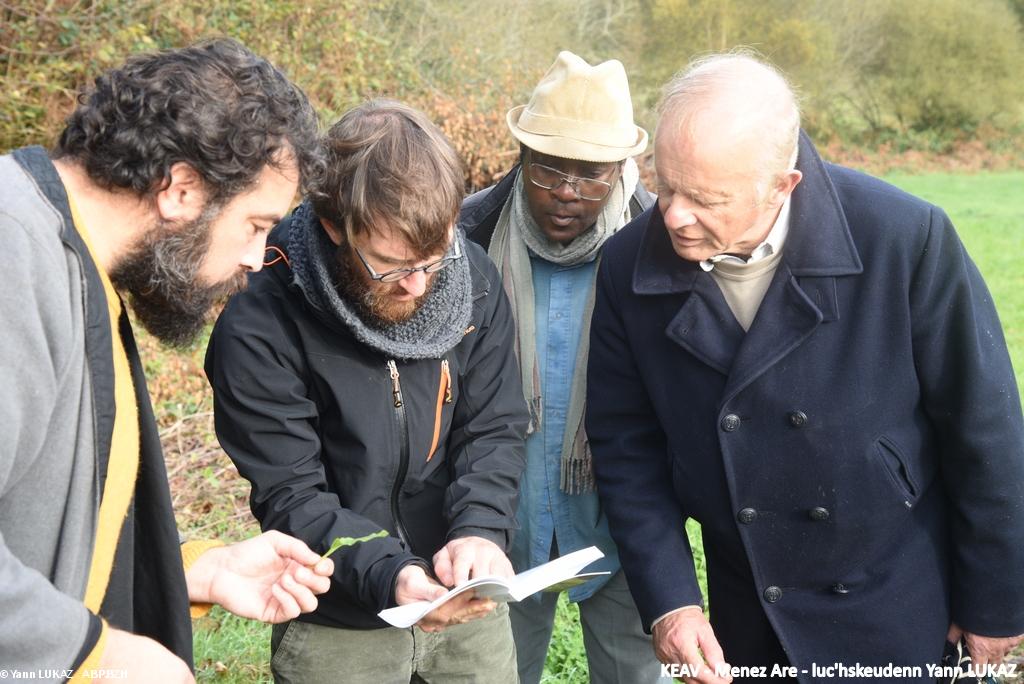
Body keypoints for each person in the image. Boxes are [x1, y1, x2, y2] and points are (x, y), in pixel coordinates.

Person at [586, 52, 1024, 682]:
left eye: (705, 198)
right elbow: (627, 447)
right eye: (665, 184)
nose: (674, 216)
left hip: (894, 592)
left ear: (782, 184)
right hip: (754, 600)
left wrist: (995, 600)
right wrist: (672, 601)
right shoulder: (629, 265)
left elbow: (984, 427)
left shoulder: (903, 238)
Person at [0, 39, 336, 683]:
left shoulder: (77, 266)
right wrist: (91, 657)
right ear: (181, 189)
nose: (254, 258)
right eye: (257, 224)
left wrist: (190, 570)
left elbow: (35, 526)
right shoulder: (14, 256)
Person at [204, 99, 529, 683]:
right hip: (337, 620)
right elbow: (293, 497)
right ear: (334, 227)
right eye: (391, 265)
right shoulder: (261, 321)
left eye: (433, 260)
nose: (418, 284)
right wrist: (393, 574)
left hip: (467, 605)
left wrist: (480, 526)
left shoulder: (472, 279)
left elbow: (495, 424)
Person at [460, 51, 662, 683]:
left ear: (622, 169)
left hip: (625, 519)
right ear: (520, 157)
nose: (569, 193)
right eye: (550, 170)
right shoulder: (468, 234)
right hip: (497, 520)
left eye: (592, 174)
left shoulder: (662, 246)